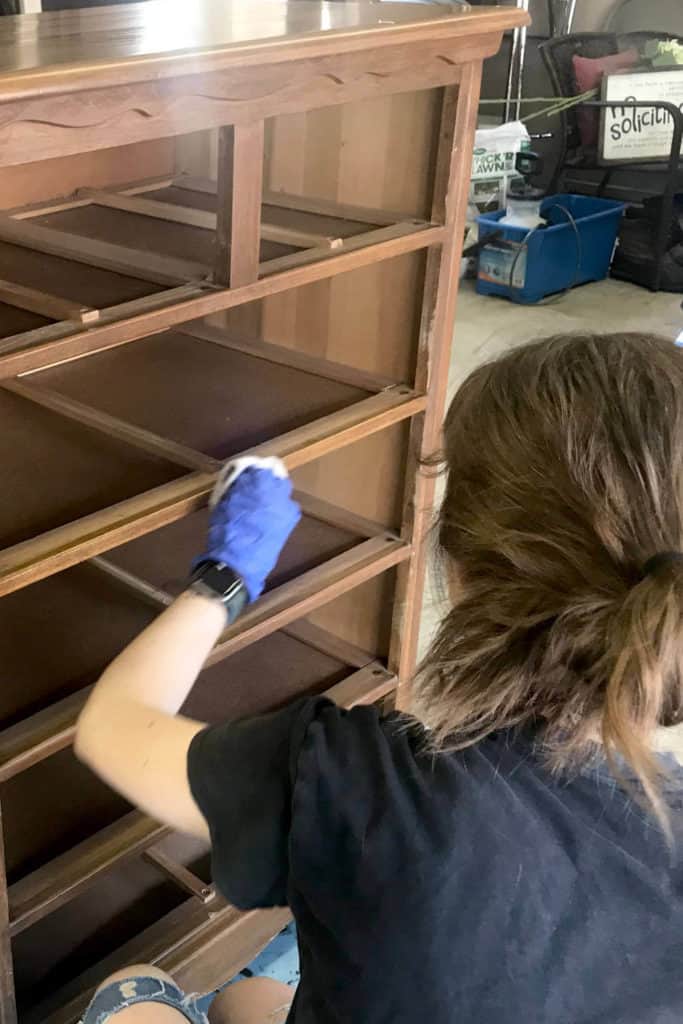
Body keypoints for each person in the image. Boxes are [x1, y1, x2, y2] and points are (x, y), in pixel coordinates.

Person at [76, 332, 683, 1024]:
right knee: (247, 1001)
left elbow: (112, 727)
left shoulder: (366, 786)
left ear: (460, 573)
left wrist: (227, 578)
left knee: (131, 996)